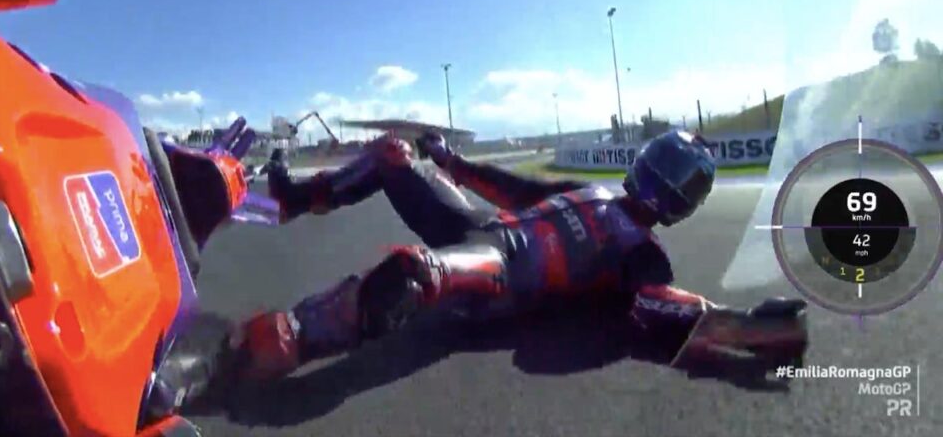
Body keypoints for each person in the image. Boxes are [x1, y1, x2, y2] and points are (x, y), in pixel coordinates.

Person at [157, 129, 808, 408]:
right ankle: (289, 199)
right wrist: (444, 160)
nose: (656, 175)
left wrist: (747, 328)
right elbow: (509, 188)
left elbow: (663, 306)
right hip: (479, 230)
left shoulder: (642, 253)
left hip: (498, 277)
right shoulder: (590, 192)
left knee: (413, 275)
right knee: (393, 155)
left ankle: (231, 359)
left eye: (667, 173)